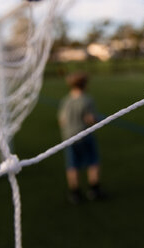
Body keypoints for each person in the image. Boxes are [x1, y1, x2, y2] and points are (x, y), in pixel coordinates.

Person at [57, 72, 104, 204]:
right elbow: (89, 119)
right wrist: (99, 119)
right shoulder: (87, 100)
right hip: (84, 136)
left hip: (69, 138)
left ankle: (75, 193)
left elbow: (62, 120)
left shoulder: (65, 101)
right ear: (84, 85)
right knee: (93, 162)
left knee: (72, 165)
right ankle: (94, 190)